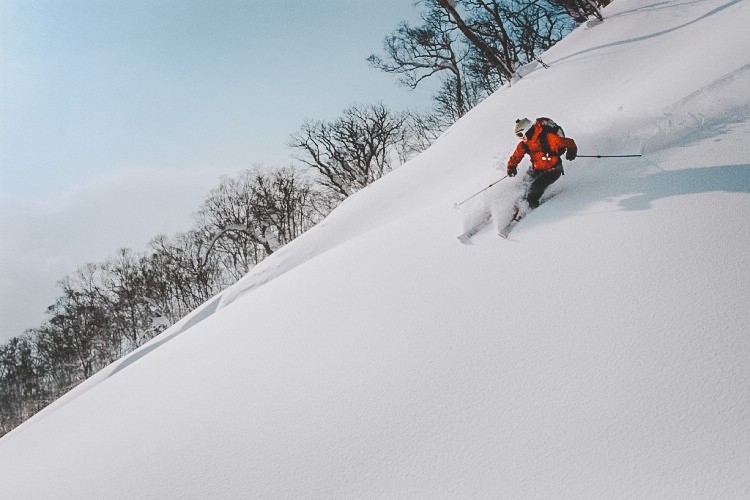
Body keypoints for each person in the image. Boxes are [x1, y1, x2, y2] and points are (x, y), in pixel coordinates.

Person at [507, 117, 577, 211]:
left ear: (527, 130)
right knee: (521, 185)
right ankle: (516, 205)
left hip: (553, 170)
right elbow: (517, 155)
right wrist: (512, 166)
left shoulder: (548, 138)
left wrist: (571, 151)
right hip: (537, 169)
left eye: (520, 134)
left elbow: (569, 142)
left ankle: (532, 210)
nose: (521, 138)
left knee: (534, 188)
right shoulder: (525, 143)